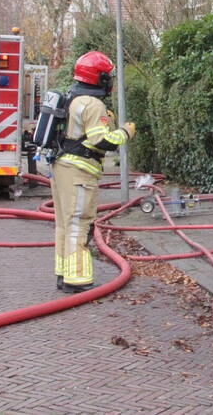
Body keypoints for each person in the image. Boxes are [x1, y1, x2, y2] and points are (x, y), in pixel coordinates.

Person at [51, 51, 135, 293]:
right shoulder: (93, 104)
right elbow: (101, 141)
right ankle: (77, 279)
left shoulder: (72, 97)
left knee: (64, 224)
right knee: (79, 224)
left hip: (61, 166)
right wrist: (126, 132)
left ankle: (63, 273)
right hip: (79, 172)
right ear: (100, 78)